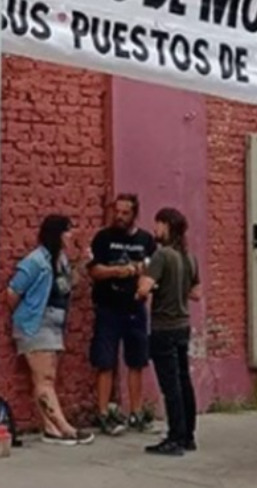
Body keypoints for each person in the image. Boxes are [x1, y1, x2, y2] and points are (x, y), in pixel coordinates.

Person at [6, 215, 95, 445]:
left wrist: (82, 261)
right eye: (67, 231)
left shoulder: (61, 259)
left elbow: (67, 286)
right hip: (36, 324)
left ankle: (50, 428)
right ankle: (64, 428)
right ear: (56, 234)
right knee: (44, 378)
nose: (70, 235)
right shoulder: (36, 261)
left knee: (46, 378)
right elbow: (13, 291)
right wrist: (26, 315)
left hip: (55, 323)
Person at [88, 194, 158, 436]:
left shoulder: (146, 240)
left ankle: (136, 412)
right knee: (105, 362)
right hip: (108, 307)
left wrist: (142, 275)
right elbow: (94, 271)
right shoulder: (103, 238)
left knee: (137, 361)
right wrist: (119, 271)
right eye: (116, 211)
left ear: (134, 214)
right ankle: (104, 413)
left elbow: (153, 270)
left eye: (125, 212)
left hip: (135, 309)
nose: (119, 216)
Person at [137, 208, 201, 455]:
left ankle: (174, 436)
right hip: (183, 325)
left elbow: (144, 289)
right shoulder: (189, 257)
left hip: (164, 326)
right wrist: (177, 288)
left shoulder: (162, 255)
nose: (155, 230)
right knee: (184, 381)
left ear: (166, 226)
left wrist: (147, 279)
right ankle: (188, 435)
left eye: (157, 225)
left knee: (170, 385)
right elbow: (196, 293)